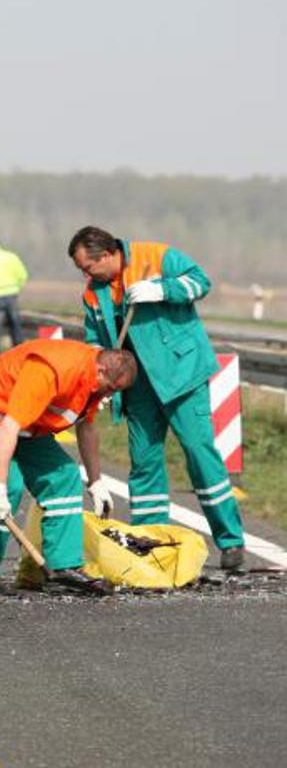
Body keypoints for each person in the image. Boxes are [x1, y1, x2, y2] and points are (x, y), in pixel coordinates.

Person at [68, 225, 246, 570]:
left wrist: (162, 289)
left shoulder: (156, 256)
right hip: (138, 387)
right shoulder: (93, 293)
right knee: (144, 463)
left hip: (181, 375)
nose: (85, 275)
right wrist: (97, 380)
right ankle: (150, 544)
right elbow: (94, 340)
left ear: (106, 255)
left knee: (200, 454)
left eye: (87, 267)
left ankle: (232, 542)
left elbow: (201, 282)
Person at [0, 338, 138, 594]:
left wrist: (96, 482)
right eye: (111, 388)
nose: (109, 395)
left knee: (65, 476)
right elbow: (9, 426)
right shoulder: (50, 370)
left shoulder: (93, 381)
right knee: (9, 487)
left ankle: (65, 567)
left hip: (29, 427)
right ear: (101, 371)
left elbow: (86, 428)